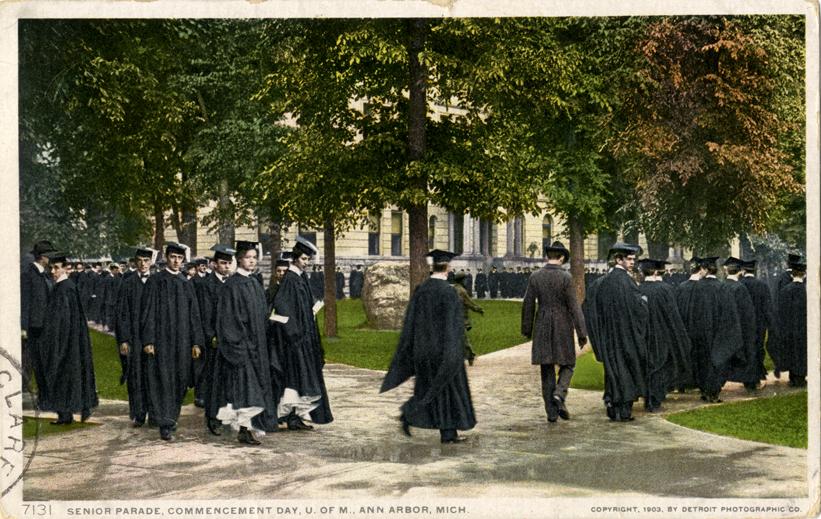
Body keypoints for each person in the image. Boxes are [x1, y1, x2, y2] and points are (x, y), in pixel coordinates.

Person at [381, 249, 476, 443]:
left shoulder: (421, 290)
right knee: (448, 390)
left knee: (434, 390)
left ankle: (448, 433)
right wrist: (454, 353)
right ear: (448, 268)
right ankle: (409, 413)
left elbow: (410, 323)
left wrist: (413, 350)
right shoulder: (450, 293)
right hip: (444, 351)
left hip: (423, 352)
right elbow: (453, 328)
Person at [213, 241, 278, 444]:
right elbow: (229, 320)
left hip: (257, 347)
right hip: (243, 349)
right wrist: (240, 347)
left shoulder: (254, 283)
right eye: (248, 257)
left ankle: (249, 428)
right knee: (246, 392)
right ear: (239, 259)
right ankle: (243, 429)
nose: (252, 261)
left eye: (254, 257)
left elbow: (261, 313)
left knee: (254, 390)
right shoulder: (232, 286)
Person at [140, 242, 205, 440]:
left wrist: (196, 342)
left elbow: (195, 315)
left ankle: (171, 417)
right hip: (162, 340)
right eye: (173, 257)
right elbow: (148, 312)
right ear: (166, 258)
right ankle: (165, 423)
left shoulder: (186, 283)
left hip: (183, 342)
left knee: (179, 381)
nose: (177, 262)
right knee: (163, 380)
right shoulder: (156, 281)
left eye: (180, 258)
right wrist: (148, 339)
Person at [269, 236, 333, 430]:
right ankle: (291, 417)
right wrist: (295, 334)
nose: (306, 263)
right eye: (304, 259)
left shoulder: (301, 278)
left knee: (302, 378)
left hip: (305, 338)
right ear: (295, 258)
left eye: (308, 260)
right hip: (295, 340)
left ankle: (296, 417)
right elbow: (282, 308)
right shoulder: (290, 279)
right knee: (295, 378)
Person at [522, 241, 587, 422]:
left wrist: (527, 329)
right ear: (562, 258)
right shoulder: (565, 277)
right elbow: (574, 306)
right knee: (568, 362)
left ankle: (551, 413)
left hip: (542, 323)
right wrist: (582, 332)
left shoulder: (535, 276)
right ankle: (560, 393)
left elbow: (528, 304)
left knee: (547, 368)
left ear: (546, 257)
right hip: (563, 324)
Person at [582, 242, 648, 421]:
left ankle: (611, 403)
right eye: (629, 259)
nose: (632, 262)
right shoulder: (627, 281)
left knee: (612, 369)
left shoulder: (601, 282)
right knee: (627, 368)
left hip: (608, 335)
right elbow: (639, 310)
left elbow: (589, 308)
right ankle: (625, 410)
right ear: (619, 259)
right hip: (626, 335)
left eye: (634, 259)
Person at [37, 251, 98, 424]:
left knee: (65, 375)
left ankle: (68, 413)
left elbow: (61, 319)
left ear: (65, 268)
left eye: (57, 268)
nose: (53, 272)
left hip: (66, 340)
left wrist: (55, 340)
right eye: (51, 268)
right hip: (70, 339)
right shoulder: (65, 287)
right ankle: (67, 413)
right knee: (70, 376)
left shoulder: (65, 288)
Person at [637, 258, 692, 412]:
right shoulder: (665, 289)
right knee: (660, 366)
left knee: (647, 366)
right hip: (661, 335)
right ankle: (655, 400)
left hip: (644, 335)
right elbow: (673, 315)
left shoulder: (638, 289)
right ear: (656, 272)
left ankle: (648, 396)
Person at [685, 257, 744, 403]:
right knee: (717, 360)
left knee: (702, 361)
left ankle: (705, 389)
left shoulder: (696, 287)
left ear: (704, 269)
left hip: (700, 332)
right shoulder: (722, 287)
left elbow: (691, 312)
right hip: (718, 332)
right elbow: (730, 313)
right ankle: (714, 391)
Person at [195, 244, 235, 435]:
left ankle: (226, 414)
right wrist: (212, 336)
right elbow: (205, 314)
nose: (226, 266)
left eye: (229, 263)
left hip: (231, 340)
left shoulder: (232, 283)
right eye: (223, 263)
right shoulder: (207, 285)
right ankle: (212, 416)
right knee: (214, 380)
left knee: (229, 380)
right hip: (215, 342)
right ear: (214, 264)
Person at [115, 247, 155, 427]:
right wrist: (124, 339)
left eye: (146, 260)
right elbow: (122, 312)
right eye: (140, 260)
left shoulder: (157, 281)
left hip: (154, 337)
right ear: (135, 262)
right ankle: (139, 414)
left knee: (154, 376)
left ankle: (154, 413)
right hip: (134, 336)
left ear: (151, 262)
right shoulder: (128, 282)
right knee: (136, 377)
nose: (143, 264)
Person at [21, 240, 56, 392]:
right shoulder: (28, 275)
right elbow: (24, 303)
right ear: (43, 256)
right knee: (28, 359)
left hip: (45, 325)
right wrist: (23, 328)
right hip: (33, 325)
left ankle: (41, 390)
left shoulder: (46, 275)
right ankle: (23, 390)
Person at [723, 257, 761, 392]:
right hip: (741, 327)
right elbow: (748, 313)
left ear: (726, 271)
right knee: (746, 354)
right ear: (739, 271)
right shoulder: (740, 288)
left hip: (724, 328)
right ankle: (749, 382)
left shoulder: (722, 286)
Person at [739, 260, 773, 389]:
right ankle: (756, 378)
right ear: (755, 271)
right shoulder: (762, 285)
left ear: (744, 271)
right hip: (759, 324)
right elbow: (767, 307)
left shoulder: (739, 284)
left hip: (743, 323)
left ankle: (747, 379)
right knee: (758, 349)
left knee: (746, 350)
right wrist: (770, 324)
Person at [773, 260, 807, 387]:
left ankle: (793, 377)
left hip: (789, 327)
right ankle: (800, 377)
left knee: (792, 351)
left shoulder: (785, 290)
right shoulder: (806, 290)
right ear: (804, 274)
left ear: (792, 274)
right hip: (803, 327)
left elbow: (781, 310)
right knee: (802, 352)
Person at [451, 271, 484, 366]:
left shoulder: (453, 289)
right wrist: (478, 309)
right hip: (460, 317)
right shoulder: (461, 291)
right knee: (462, 338)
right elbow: (469, 303)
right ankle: (470, 355)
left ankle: (468, 355)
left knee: (459, 338)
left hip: (455, 317)